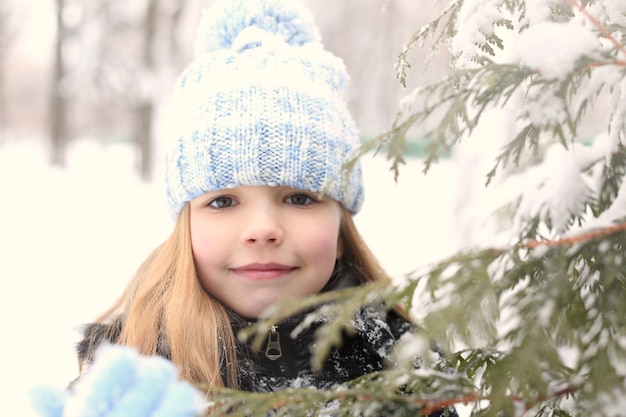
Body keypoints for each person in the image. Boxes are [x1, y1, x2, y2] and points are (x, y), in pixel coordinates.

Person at [36, 0, 456, 415]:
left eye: (299, 198)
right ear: (187, 226)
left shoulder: (404, 372)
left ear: (342, 228)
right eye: (222, 201)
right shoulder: (133, 378)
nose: (262, 229)